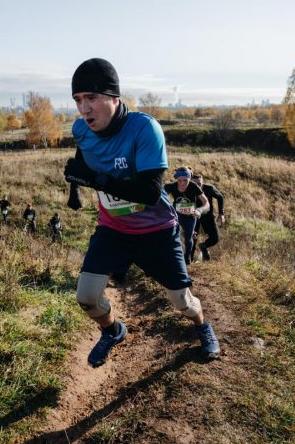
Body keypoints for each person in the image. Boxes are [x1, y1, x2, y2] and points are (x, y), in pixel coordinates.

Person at [63, 57, 220, 367]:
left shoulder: (144, 128)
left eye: (92, 98)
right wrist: (75, 187)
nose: (84, 108)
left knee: (182, 302)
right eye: (78, 100)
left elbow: (149, 193)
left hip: (156, 232)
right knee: (87, 296)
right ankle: (113, 331)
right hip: (113, 230)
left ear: (113, 97)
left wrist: (96, 180)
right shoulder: (81, 130)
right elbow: (83, 163)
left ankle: (203, 326)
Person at [163, 166, 209, 266]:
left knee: (188, 238)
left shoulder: (193, 186)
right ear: (176, 179)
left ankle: (187, 258)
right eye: (179, 180)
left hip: (190, 216)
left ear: (190, 178)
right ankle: (174, 258)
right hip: (176, 214)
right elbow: (158, 194)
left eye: (185, 180)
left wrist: (199, 210)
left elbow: (206, 203)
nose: (182, 183)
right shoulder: (171, 186)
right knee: (172, 235)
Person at [190, 172, 225, 261]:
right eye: (195, 184)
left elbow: (220, 197)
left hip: (207, 216)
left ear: (203, 182)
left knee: (215, 238)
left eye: (199, 184)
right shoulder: (188, 190)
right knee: (192, 240)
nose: (197, 186)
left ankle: (203, 246)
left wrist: (221, 213)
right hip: (194, 217)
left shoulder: (209, 188)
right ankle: (189, 261)